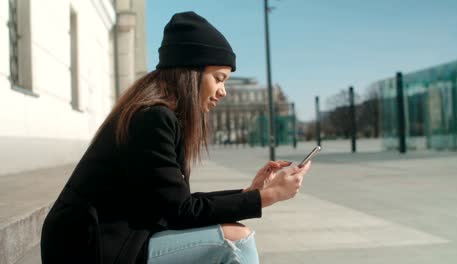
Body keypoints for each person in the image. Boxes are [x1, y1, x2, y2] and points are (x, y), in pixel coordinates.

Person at [40, 11, 311, 264]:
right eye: (219, 78)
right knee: (235, 240)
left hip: (114, 236)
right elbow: (181, 212)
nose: (223, 91)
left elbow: (176, 202)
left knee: (231, 232)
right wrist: (269, 196)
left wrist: (251, 193)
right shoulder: (152, 118)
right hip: (88, 249)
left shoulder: (158, 115)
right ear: (191, 74)